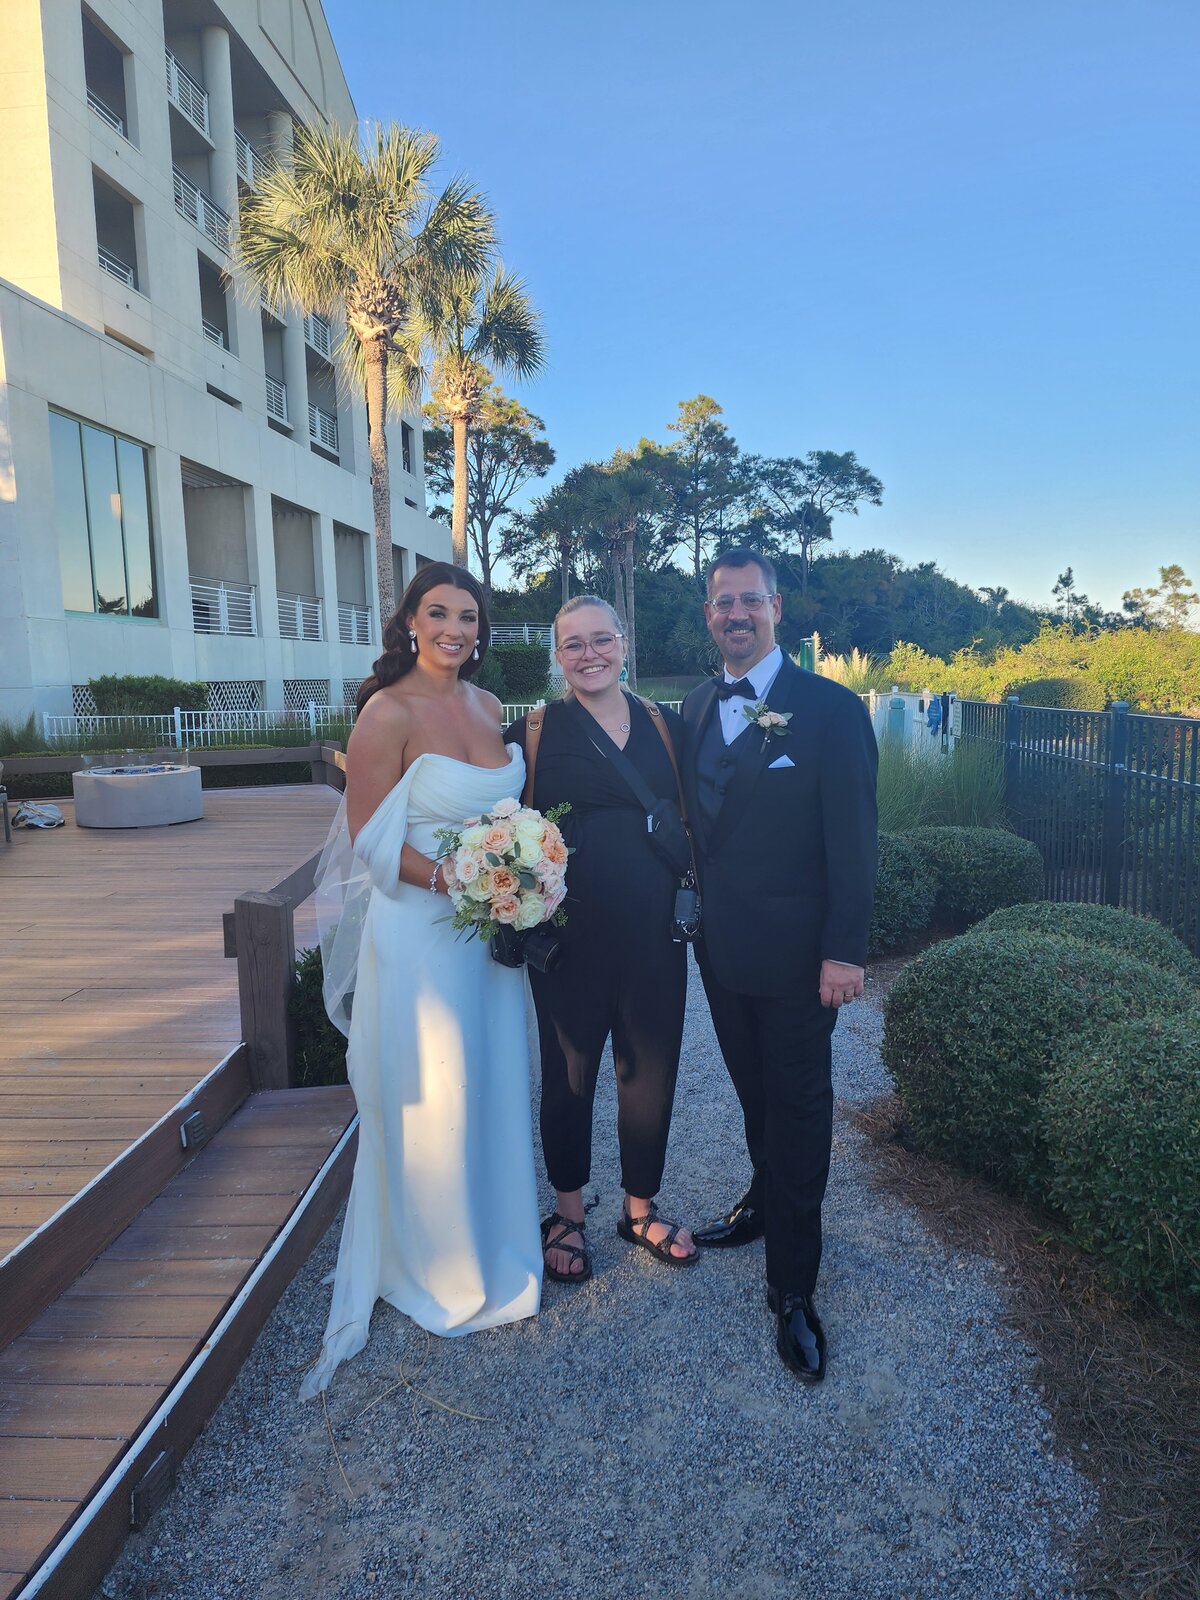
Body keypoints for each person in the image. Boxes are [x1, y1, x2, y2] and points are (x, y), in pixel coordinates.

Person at [300, 563, 541, 1397]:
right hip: (422, 936)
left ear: (481, 631)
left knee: (495, 1084)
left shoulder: (485, 707)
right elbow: (369, 839)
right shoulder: (387, 711)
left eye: (468, 617)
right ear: (409, 620)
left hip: (488, 939)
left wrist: (519, 872)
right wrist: (463, 882)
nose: (454, 629)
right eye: (438, 613)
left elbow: (507, 816)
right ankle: (437, 1267)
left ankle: (500, 1241)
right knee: (440, 1089)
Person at [681, 548, 877, 1384]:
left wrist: (844, 951)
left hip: (803, 965)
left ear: (776, 608)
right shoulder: (692, 706)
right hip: (721, 958)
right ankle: (765, 1204)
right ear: (708, 615)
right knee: (756, 1098)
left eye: (750, 601)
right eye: (723, 602)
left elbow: (855, 842)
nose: (736, 614)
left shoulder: (830, 711)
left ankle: (793, 1292)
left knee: (799, 1115)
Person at [507, 596, 697, 1283]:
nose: (589, 655)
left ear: (624, 642)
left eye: (600, 640)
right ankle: (568, 1213)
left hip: (655, 933)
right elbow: (476, 805)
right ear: (558, 657)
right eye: (573, 645)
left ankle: (640, 1208)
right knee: (567, 1075)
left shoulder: (664, 726)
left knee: (650, 1071)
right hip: (564, 938)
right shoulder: (533, 731)